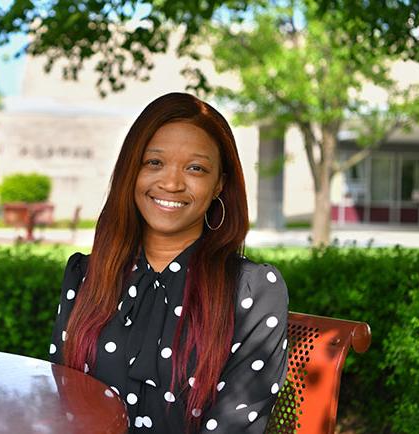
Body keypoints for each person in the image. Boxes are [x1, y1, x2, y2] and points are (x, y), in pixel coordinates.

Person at [49, 92, 288, 433]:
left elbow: (234, 426)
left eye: (195, 168)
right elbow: (65, 405)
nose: (172, 183)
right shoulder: (86, 275)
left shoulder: (250, 291)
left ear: (219, 183)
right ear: (132, 172)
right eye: (154, 163)